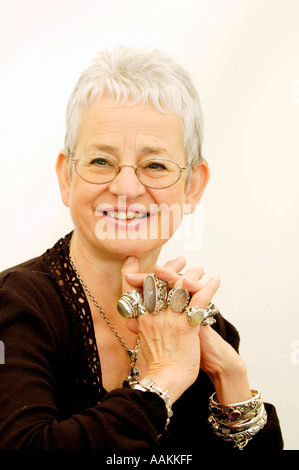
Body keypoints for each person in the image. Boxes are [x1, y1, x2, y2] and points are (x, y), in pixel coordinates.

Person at [0, 46, 283, 451]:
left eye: (155, 166)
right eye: (100, 161)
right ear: (66, 177)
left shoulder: (202, 327)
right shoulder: (13, 307)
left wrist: (229, 376)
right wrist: (162, 382)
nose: (127, 188)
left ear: (193, 186)